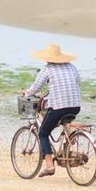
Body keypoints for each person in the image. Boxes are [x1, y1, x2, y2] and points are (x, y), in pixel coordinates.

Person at [22, 43, 82, 178]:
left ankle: (50, 166)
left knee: (43, 132)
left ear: (47, 57)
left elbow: (36, 87)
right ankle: (68, 137)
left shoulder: (48, 69)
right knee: (62, 120)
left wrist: (27, 94)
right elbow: (77, 84)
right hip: (75, 106)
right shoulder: (72, 67)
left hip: (59, 107)